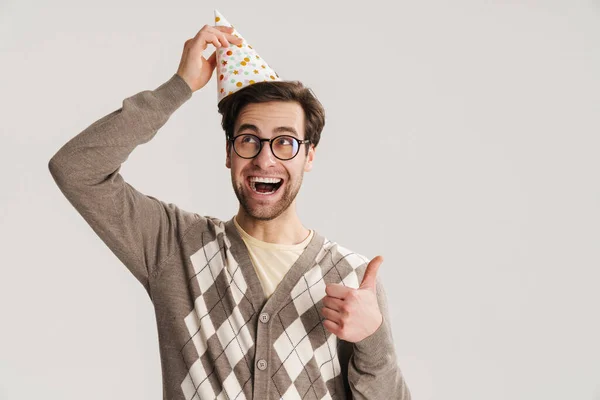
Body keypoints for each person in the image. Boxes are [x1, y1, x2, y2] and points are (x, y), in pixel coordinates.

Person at [48, 12, 411, 400]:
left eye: (285, 142)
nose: (265, 160)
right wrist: (179, 87)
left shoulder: (351, 278)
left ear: (309, 156)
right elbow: (75, 169)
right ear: (228, 153)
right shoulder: (174, 247)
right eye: (249, 140)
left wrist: (372, 341)